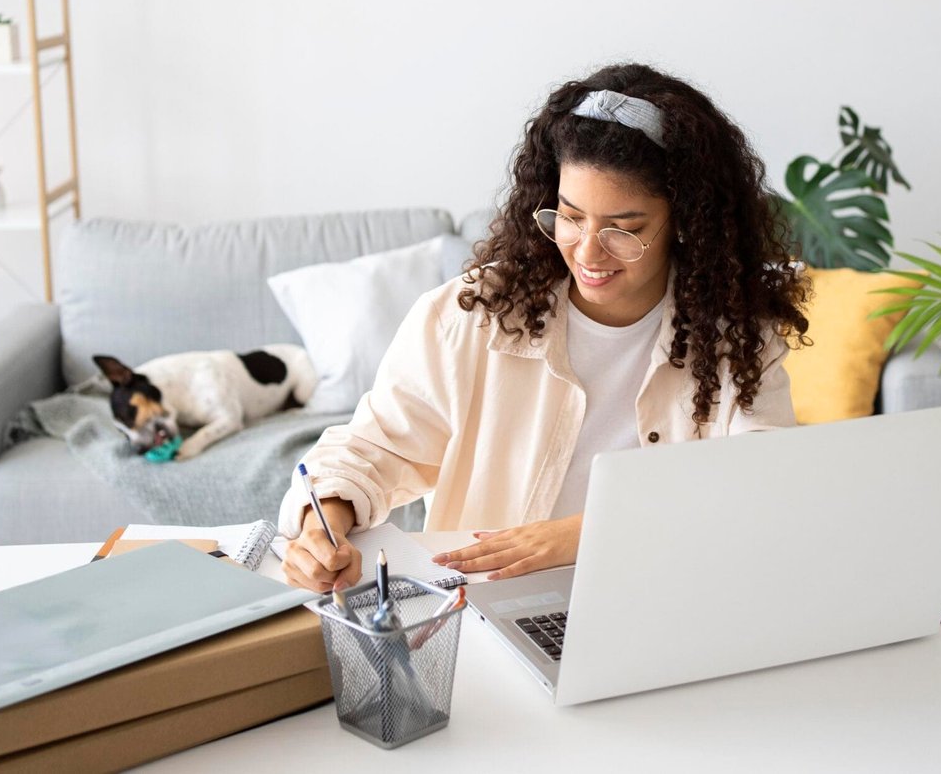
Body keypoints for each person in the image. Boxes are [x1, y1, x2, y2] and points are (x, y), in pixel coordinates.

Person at [279, 63, 809, 591]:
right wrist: (321, 522)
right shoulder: (475, 313)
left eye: (625, 230)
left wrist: (587, 534)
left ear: (687, 223)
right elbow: (376, 448)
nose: (587, 251)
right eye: (570, 216)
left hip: (660, 598)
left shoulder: (735, 339)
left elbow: (757, 485)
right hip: (485, 603)